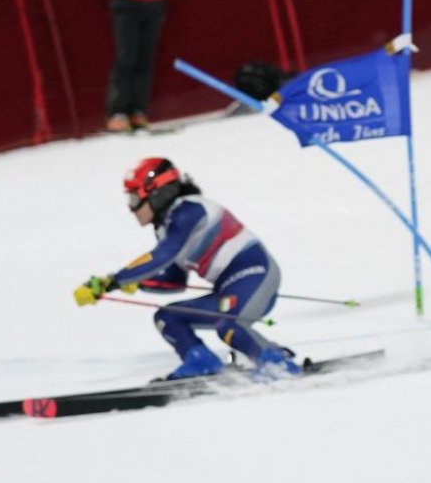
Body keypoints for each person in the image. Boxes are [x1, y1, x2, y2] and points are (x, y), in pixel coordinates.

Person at [73, 157, 301, 380]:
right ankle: (201, 361)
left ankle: (275, 361)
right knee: (168, 317)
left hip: (255, 275)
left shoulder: (190, 210)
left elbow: (161, 257)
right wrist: (138, 282)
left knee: (227, 323)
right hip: (231, 287)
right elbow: (174, 281)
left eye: (134, 199)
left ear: (156, 193)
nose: (132, 209)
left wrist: (114, 280)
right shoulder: (167, 227)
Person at [95, 0, 180, 133]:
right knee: (126, 59)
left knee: (145, 61)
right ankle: (117, 113)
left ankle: (138, 111)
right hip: (125, 3)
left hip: (154, 4)